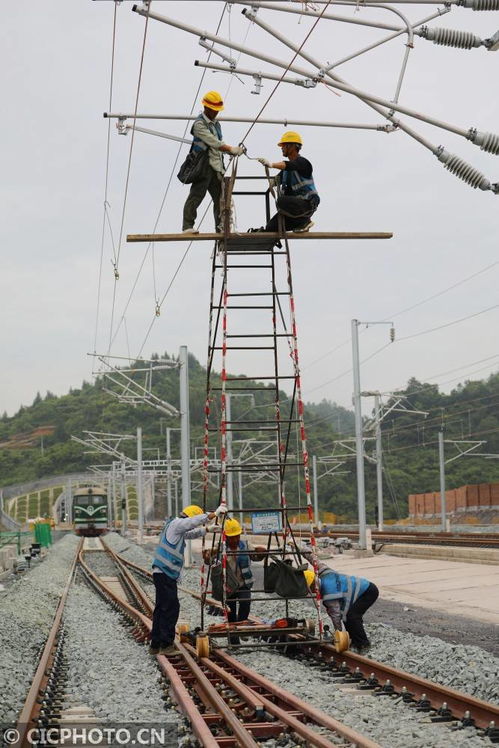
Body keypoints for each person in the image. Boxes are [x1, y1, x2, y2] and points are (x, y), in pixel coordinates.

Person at [150, 502, 227, 655]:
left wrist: (207, 529)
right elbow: (191, 523)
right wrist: (213, 515)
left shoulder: (175, 527)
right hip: (165, 574)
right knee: (170, 609)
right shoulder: (178, 523)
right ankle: (166, 645)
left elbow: (191, 533)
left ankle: (155, 644)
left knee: (161, 608)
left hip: (162, 573)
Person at [182, 90, 245, 234]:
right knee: (196, 195)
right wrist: (231, 149)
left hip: (216, 167)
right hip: (202, 167)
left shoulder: (216, 125)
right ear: (206, 108)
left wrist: (231, 151)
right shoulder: (199, 125)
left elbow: (219, 145)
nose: (216, 113)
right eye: (214, 110)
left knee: (221, 200)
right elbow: (214, 142)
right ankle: (187, 226)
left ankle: (221, 227)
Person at [300, 545, 378, 653]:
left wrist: (339, 634)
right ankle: (354, 641)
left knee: (351, 616)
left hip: (368, 591)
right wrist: (300, 549)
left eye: (311, 589)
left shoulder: (329, 595)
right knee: (348, 616)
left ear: (313, 585)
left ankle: (363, 644)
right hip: (363, 588)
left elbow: (336, 615)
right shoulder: (323, 571)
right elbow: (314, 559)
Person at [204, 518, 266, 643]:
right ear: (225, 536)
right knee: (231, 611)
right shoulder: (220, 547)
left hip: (244, 583)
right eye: (232, 537)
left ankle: (241, 628)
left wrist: (262, 552)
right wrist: (208, 554)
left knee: (245, 603)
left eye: (237, 536)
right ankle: (233, 640)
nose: (235, 540)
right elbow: (208, 560)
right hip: (229, 586)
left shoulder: (246, 545)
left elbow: (255, 557)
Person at [257, 131, 320, 233]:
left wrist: (271, 164)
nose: (282, 148)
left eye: (284, 145)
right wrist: (272, 182)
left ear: (292, 146)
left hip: (307, 204)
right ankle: (300, 222)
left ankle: (305, 221)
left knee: (281, 201)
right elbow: (280, 175)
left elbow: (289, 165)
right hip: (295, 207)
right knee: (270, 227)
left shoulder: (303, 163)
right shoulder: (285, 172)